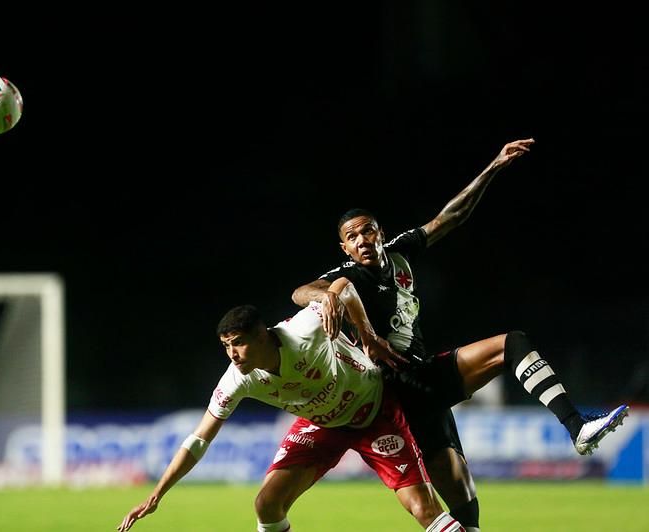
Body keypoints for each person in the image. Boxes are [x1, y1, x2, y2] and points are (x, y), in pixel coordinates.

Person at [291, 138, 629, 532]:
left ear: (380, 232)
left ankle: (577, 428)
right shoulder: (344, 278)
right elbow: (300, 292)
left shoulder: (402, 252)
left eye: (367, 231)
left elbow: (451, 216)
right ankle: (576, 428)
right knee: (453, 509)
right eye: (352, 237)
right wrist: (326, 297)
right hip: (391, 393)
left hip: (425, 382)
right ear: (345, 248)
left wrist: (494, 166)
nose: (362, 239)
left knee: (467, 505)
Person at [118, 280, 465, 531]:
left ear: (262, 335)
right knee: (266, 505)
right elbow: (198, 439)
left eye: (238, 344)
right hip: (322, 425)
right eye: (226, 346)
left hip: (374, 411)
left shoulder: (304, 329)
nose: (232, 355)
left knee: (423, 510)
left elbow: (344, 287)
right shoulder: (238, 377)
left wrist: (364, 332)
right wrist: (156, 495)